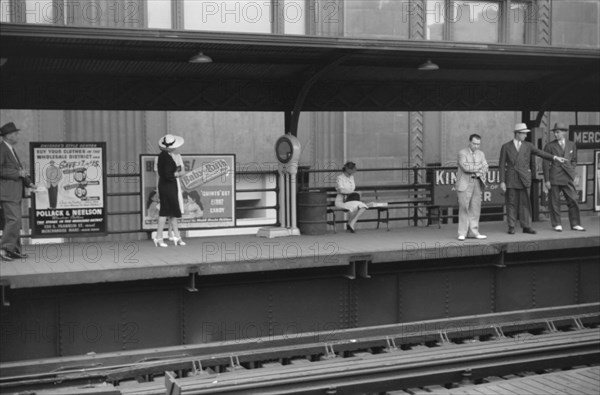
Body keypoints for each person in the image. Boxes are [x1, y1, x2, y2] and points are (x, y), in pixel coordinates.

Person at [499, 123, 567, 235]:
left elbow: (541, 153)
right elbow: (501, 165)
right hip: (511, 178)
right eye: (524, 133)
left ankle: (526, 226)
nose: (526, 136)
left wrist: (554, 157)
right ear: (517, 134)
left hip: (524, 178)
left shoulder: (528, 145)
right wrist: (502, 181)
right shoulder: (506, 146)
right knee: (511, 203)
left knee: (525, 203)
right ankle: (511, 226)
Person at [0, 122, 35, 261]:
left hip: (13, 192)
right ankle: (4, 249)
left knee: (15, 221)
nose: (17, 135)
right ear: (8, 136)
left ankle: (13, 250)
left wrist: (30, 183)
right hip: (8, 192)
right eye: (15, 133)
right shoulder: (2, 149)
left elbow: (19, 171)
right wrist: (18, 174)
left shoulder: (9, 149)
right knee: (14, 220)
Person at [542, 122, 585, 232]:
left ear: (564, 132)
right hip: (554, 176)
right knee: (554, 201)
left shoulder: (571, 144)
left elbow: (574, 159)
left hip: (568, 176)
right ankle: (557, 224)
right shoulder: (549, 146)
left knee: (573, 199)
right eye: (555, 132)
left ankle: (575, 224)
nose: (555, 134)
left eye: (558, 132)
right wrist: (546, 180)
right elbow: (545, 164)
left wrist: (571, 168)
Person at [154, 134, 186, 247]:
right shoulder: (167, 158)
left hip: (165, 186)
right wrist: (177, 174)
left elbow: (162, 174)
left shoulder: (162, 156)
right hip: (168, 186)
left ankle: (175, 235)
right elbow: (168, 174)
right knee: (165, 211)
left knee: (171, 211)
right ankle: (159, 237)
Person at [455, 134, 488, 241]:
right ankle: (462, 233)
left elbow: (486, 167)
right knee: (464, 207)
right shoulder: (462, 153)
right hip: (465, 183)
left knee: (475, 208)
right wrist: (479, 167)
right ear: (469, 142)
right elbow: (465, 167)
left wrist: (478, 168)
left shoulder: (481, 153)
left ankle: (474, 232)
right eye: (474, 143)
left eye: (478, 144)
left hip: (477, 182)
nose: (476, 146)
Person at [335, 161, 367, 233]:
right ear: (348, 169)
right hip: (341, 201)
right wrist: (353, 192)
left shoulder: (352, 177)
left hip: (351, 200)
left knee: (363, 206)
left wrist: (355, 194)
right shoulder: (339, 178)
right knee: (355, 207)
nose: (354, 171)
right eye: (353, 169)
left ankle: (351, 223)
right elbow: (341, 190)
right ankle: (350, 224)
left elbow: (352, 189)